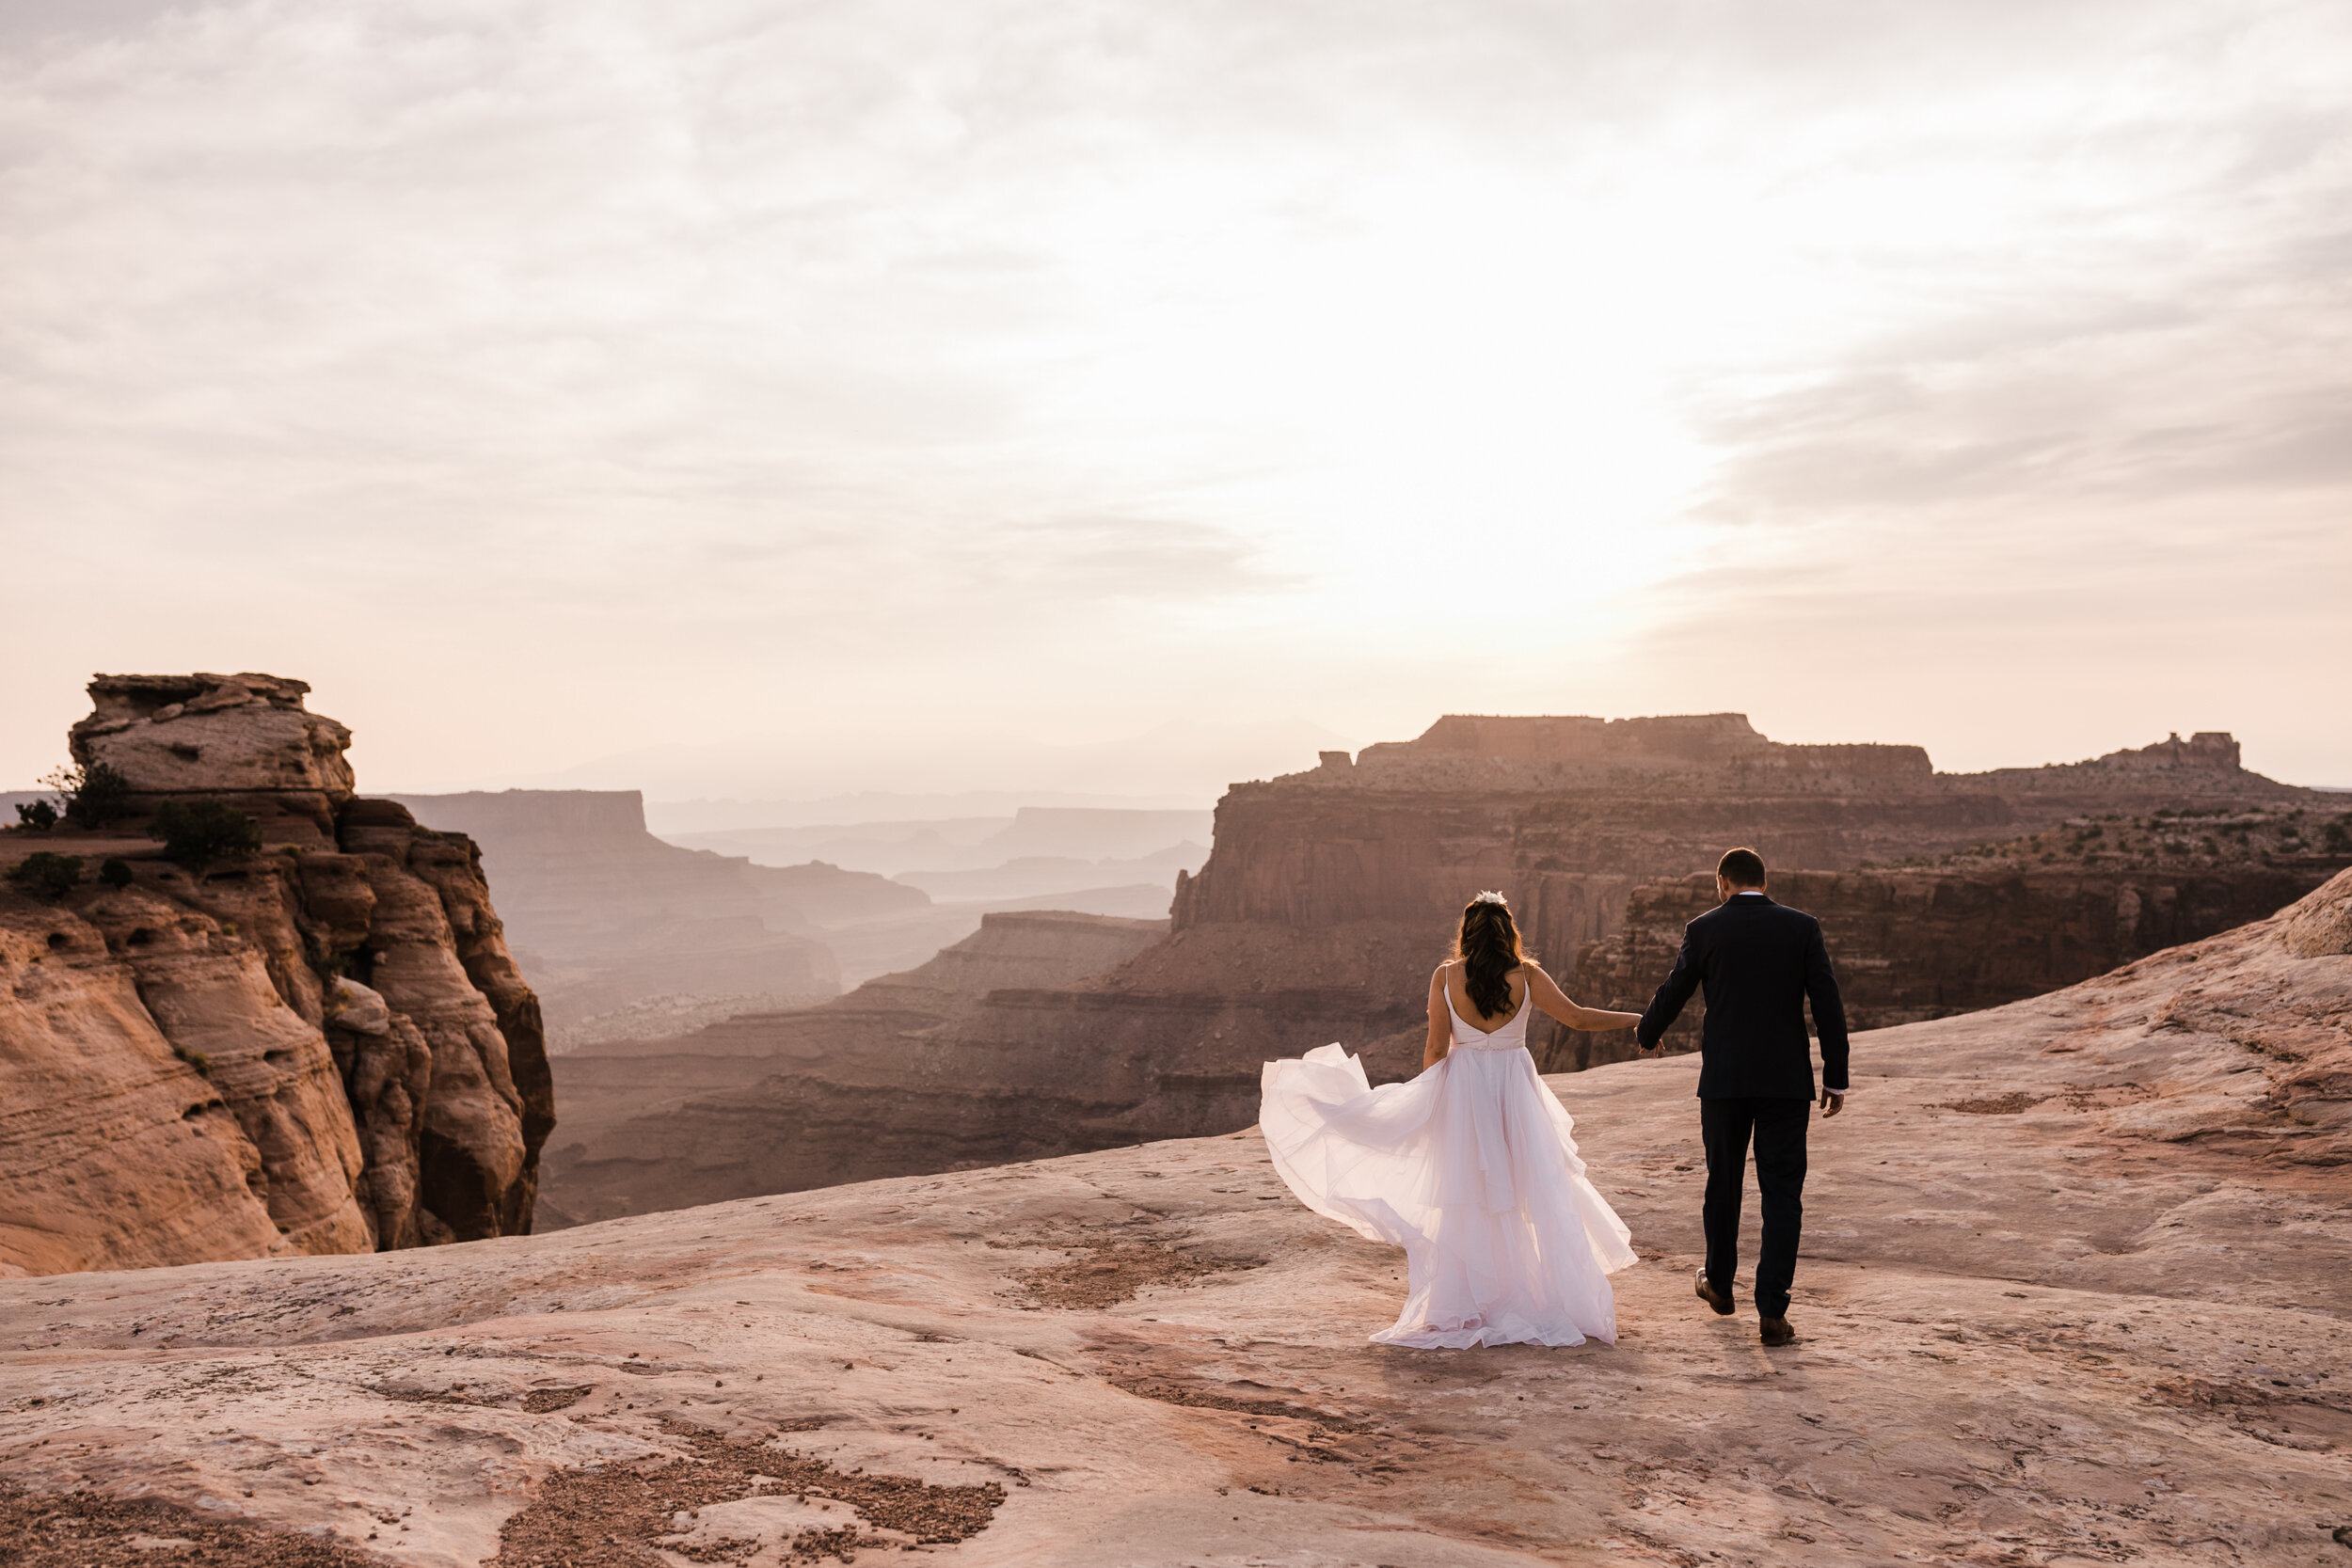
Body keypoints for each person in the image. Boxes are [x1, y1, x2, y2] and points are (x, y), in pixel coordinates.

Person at [1259, 891, 1645, 1348]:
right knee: (1532, 1191)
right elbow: (1578, 1020)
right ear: (1509, 933)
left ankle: (1467, 1300)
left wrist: (1428, 1103)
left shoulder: (1445, 977)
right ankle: (1546, 1297)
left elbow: (1437, 1048)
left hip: (1464, 1093)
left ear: (1467, 934)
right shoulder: (1528, 976)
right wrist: (1640, 1019)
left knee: (1468, 1196)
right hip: (1516, 1094)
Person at [1636, 847, 1850, 1347]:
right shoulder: (1802, 927)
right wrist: (1834, 1077)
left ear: (1722, 882)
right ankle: (1773, 1311)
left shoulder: (1704, 928)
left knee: (1724, 1181)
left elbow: (1676, 988)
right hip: (1785, 1084)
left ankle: (1718, 1282)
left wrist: (1648, 1033)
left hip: (1726, 1083)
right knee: (1783, 1194)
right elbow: (1828, 1004)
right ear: (1764, 882)